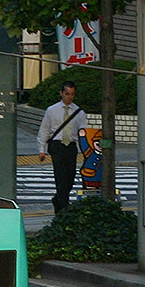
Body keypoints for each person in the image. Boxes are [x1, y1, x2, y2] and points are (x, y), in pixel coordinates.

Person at [37, 80, 85, 213]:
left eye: (72, 94)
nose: (69, 97)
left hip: (71, 146)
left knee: (70, 177)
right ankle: (63, 206)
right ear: (61, 93)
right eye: (67, 94)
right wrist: (42, 150)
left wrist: (85, 151)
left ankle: (58, 199)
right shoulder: (52, 110)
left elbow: (83, 132)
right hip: (57, 145)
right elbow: (44, 130)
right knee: (60, 176)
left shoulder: (79, 112)